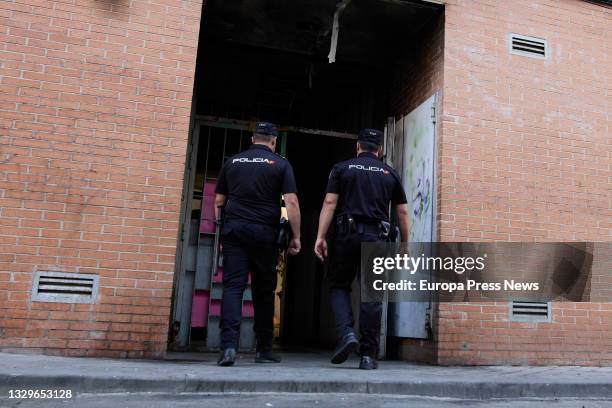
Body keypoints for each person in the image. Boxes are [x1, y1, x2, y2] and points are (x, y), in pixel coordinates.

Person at [314, 128, 409, 370]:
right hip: (378, 237)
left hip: (346, 234)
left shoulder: (342, 168)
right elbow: (402, 212)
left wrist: (321, 236)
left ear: (358, 147)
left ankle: (346, 333)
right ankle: (368, 356)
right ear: (380, 150)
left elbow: (330, 202)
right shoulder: (390, 173)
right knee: (372, 294)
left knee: (338, 285)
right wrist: (405, 245)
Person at [214, 122, 301, 367]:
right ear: (273, 141)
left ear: (253, 139)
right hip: (264, 234)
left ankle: (228, 348)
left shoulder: (232, 162)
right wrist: (296, 236)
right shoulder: (280, 164)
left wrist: (223, 231)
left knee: (232, 288)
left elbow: (219, 200)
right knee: (263, 291)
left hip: (234, 231)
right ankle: (263, 349)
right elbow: (291, 203)